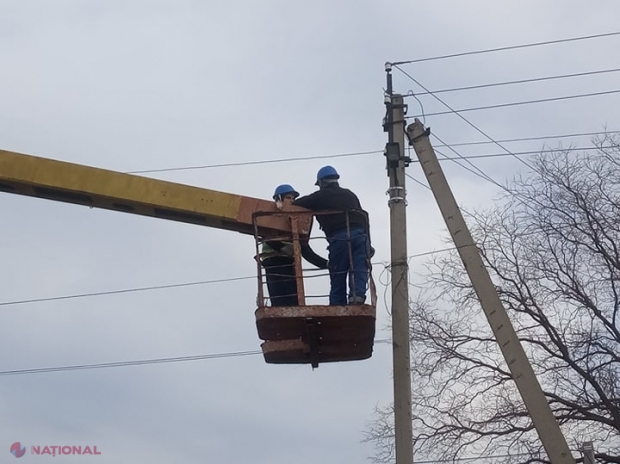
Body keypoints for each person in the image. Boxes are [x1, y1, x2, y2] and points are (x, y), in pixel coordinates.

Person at [293, 166, 372, 306]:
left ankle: (337, 304)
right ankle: (357, 297)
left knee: (338, 271)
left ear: (321, 183)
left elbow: (296, 205)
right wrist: (369, 243)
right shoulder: (350, 195)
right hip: (361, 236)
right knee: (359, 267)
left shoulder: (319, 196)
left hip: (339, 237)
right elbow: (363, 217)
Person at [259, 184, 328, 306]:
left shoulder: (295, 221)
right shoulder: (270, 218)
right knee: (281, 301)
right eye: (288, 198)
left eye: (293, 198)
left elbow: (305, 250)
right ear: (279, 200)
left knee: (294, 302)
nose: (292, 201)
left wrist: (326, 264)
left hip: (291, 264)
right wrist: (283, 247)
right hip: (274, 261)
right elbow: (266, 236)